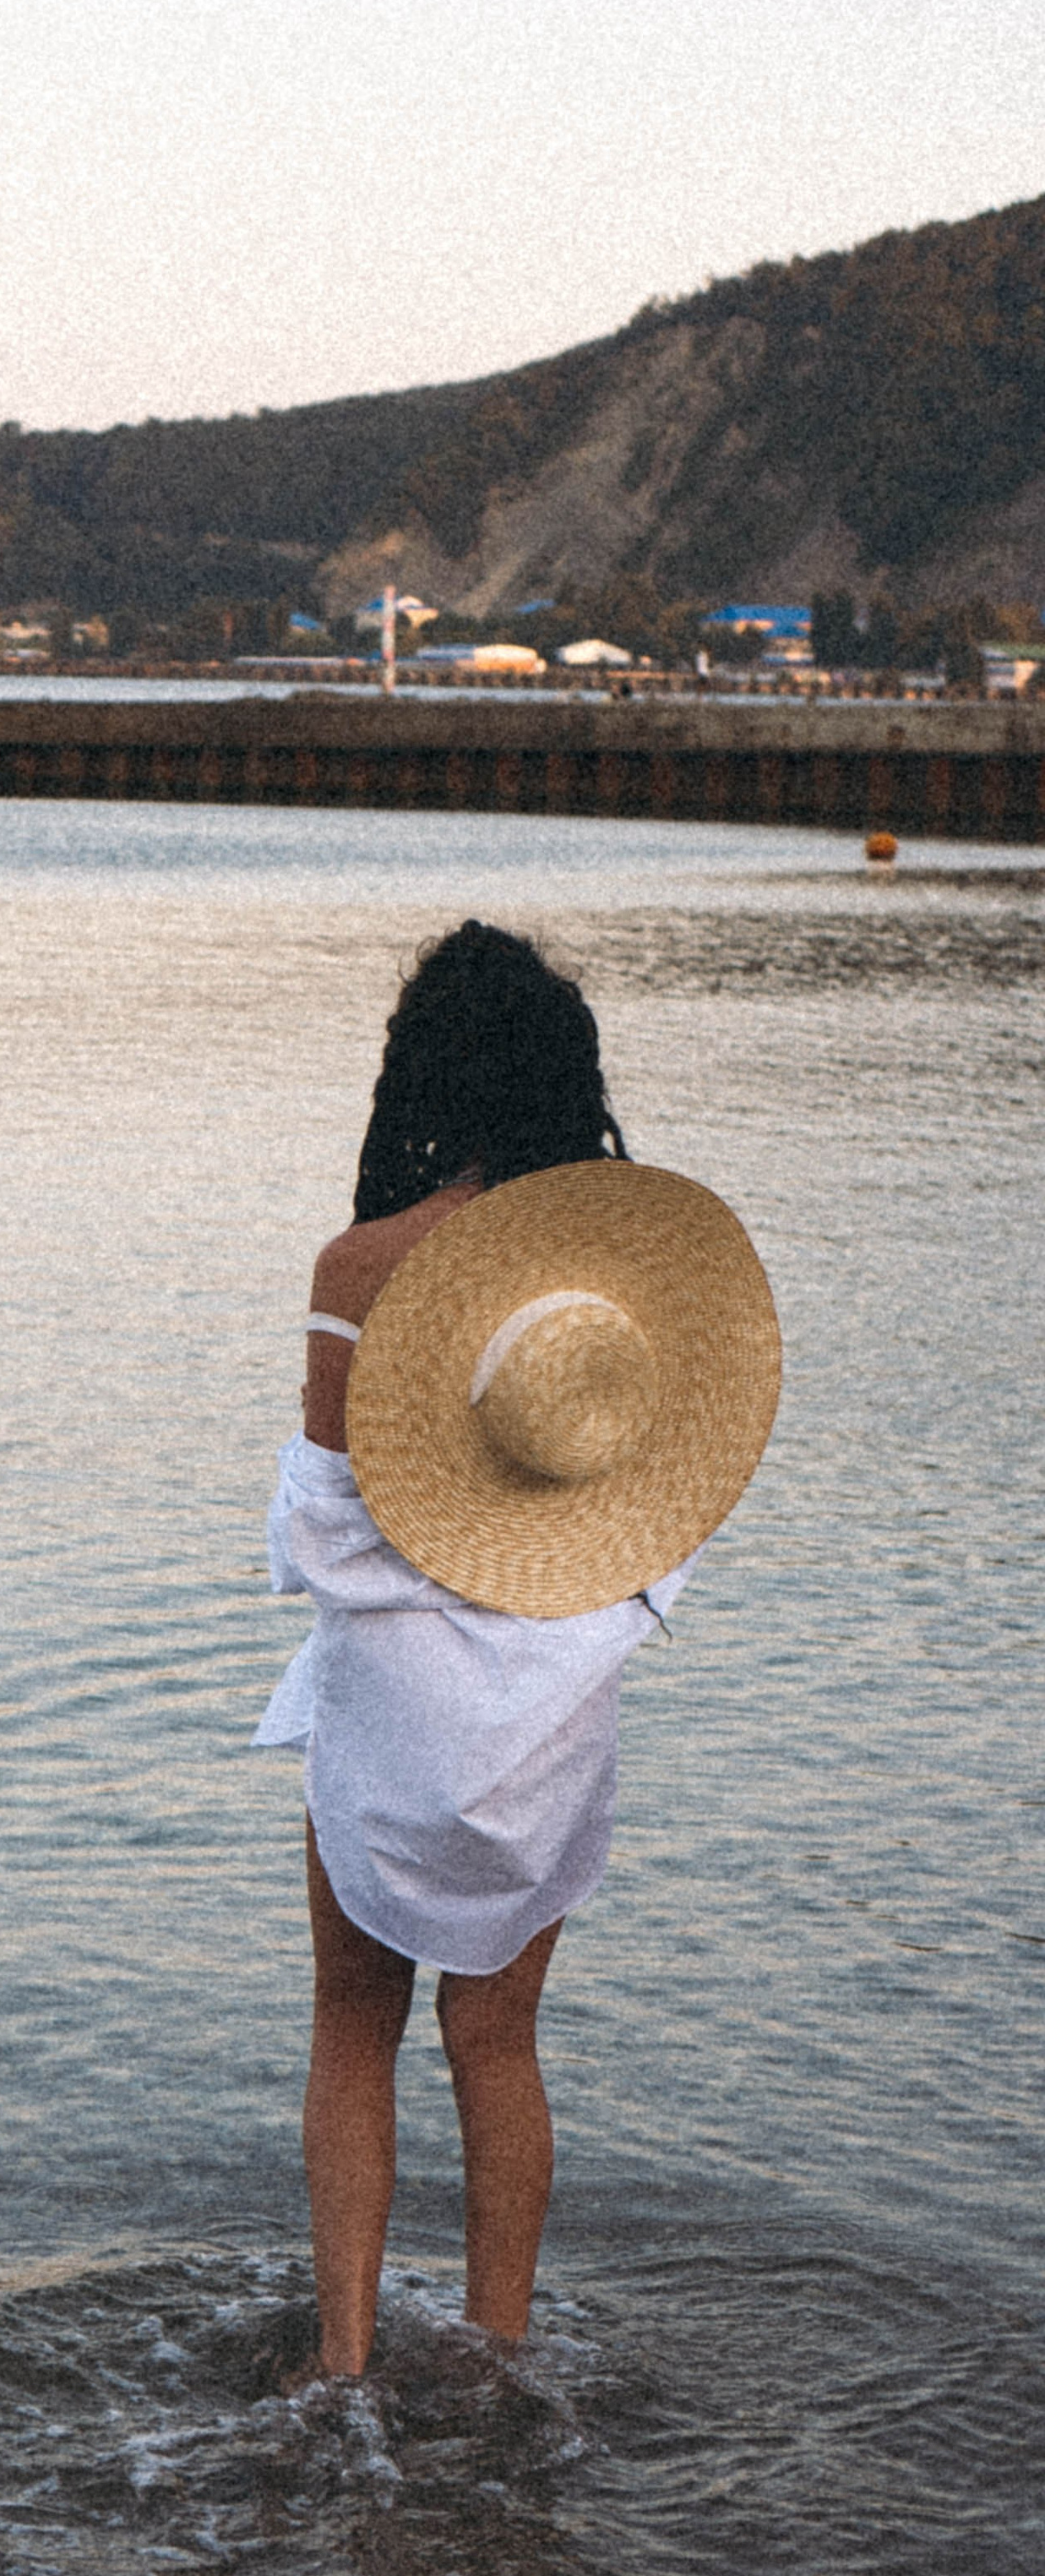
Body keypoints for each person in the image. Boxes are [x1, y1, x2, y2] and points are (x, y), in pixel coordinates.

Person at [253, 921, 778, 2381]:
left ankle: (345, 2364)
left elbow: (327, 1532)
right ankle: (499, 2350)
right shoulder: (620, 1287)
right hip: (550, 1697)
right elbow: (661, 1504)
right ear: (566, 1076)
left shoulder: (360, 1267)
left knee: (353, 2028)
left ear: (418, 1073)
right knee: (498, 2039)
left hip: (393, 1699)